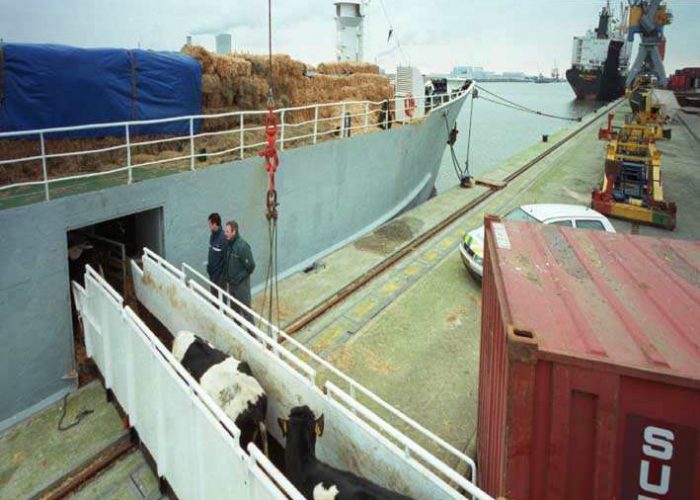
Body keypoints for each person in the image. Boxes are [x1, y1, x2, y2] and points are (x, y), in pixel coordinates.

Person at [223, 220, 256, 325]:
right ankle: (237, 328)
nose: (225, 233)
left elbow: (251, 266)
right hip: (231, 285)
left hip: (241, 285)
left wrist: (238, 278)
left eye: (228, 231)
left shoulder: (242, 247)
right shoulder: (229, 245)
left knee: (246, 311)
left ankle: (253, 335)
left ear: (234, 232)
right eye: (225, 231)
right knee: (234, 309)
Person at [206, 213, 227, 293]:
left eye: (210, 224)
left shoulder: (223, 238)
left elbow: (225, 259)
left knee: (219, 299)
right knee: (213, 298)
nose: (209, 226)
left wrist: (221, 276)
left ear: (214, 224)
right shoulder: (212, 236)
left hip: (219, 278)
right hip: (212, 275)